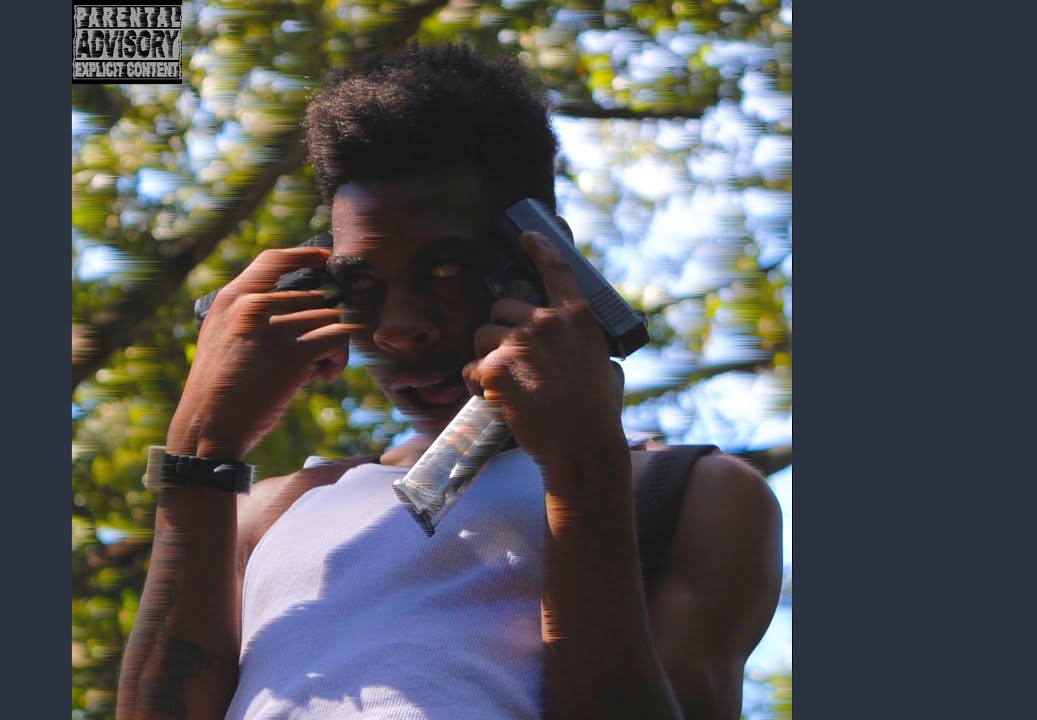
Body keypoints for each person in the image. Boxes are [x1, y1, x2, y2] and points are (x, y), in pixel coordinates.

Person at [116, 43, 782, 720]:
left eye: (446, 272)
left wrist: (583, 468)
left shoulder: (688, 493)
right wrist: (200, 449)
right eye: (363, 285)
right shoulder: (274, 510)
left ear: (546, 255)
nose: (398, 328)